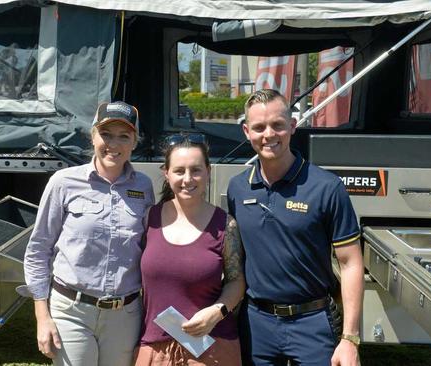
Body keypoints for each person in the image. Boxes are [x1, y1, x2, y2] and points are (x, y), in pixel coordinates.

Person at [227, 89, 364, 366]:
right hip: (257, 323)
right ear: (246, 131)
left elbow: (351, 264)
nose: (269, 134)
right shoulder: (237, 188)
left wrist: (350, 339)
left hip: (312, 322)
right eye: (259, 127)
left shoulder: (326, 187)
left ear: (292, 125)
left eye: (278, 124)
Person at [18, 101, 155, 366]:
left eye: (123, 136)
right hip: (71, 311)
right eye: (106, 134)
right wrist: (42, 317)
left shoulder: (144, 187)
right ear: (92, 136)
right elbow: (38, 250)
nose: (113, 144)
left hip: (124, 315)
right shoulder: (63, 182)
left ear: (134, 143)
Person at [134, 134, 245, 366]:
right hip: (155, 347)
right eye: (179, 171)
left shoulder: (225, 225)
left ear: (208, 171)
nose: (188, 179)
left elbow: (236, 280)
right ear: (166, 173)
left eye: (196, 170)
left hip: (212, 347)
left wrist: (216, 312)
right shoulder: (149, 219)